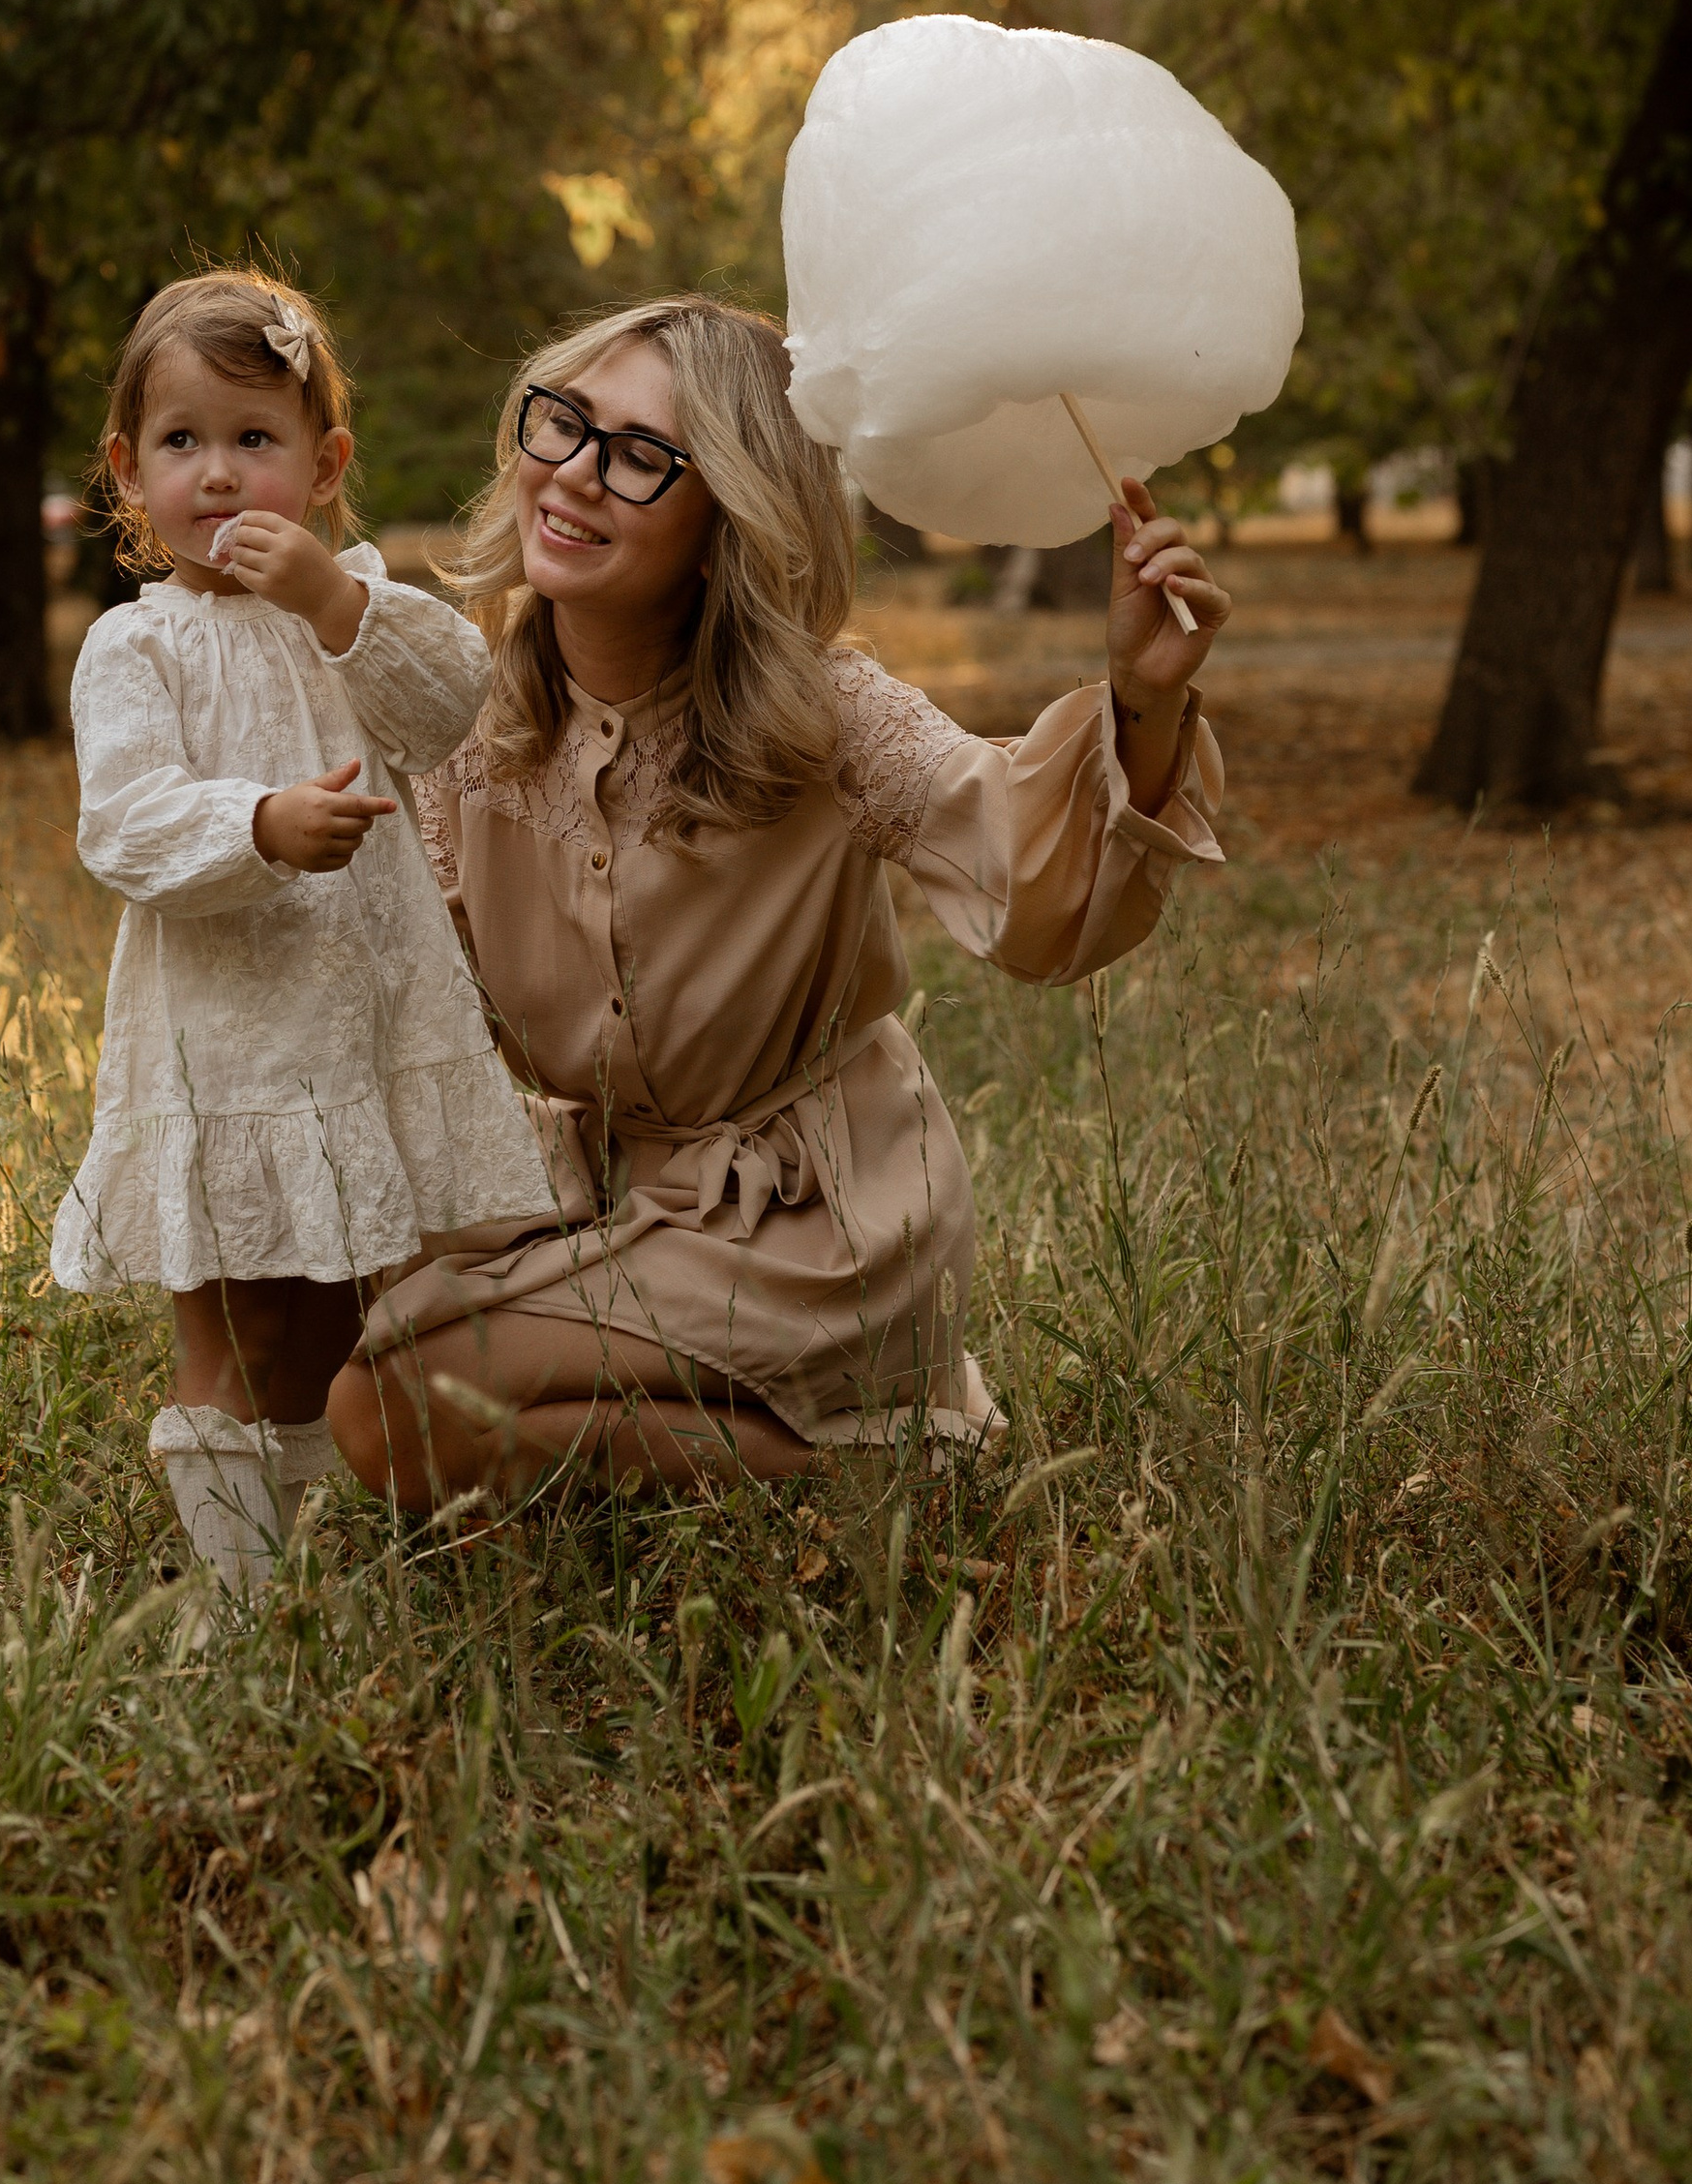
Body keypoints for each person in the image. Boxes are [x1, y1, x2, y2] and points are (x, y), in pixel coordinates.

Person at [326, 294, 1228, 1506]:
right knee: (355, 1339)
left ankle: (884, 1462)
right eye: (565, 425)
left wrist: (1144, 699)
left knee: (393, 1409)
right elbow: (399, 995)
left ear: (725, 519)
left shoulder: (826, 717)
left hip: (816, 1218)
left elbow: (1038, 895)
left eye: (643, 455)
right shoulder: (465, 724)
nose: (578, 476)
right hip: (595, 1198)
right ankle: (746, 1435)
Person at [52, 270, 551, 1591]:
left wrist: (334, 602)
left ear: (325, 469)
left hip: (372, 1028)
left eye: (256, 441)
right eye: (182, 444)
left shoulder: (357, 607)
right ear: (128, 470)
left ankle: (368, 1553)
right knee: (229, 1331)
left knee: (369, 1308)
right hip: (221, 1049)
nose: (218, 477)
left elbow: (457, 702)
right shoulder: (134, 653)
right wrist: (258, 825)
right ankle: (237, 1593)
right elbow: (126, 825)